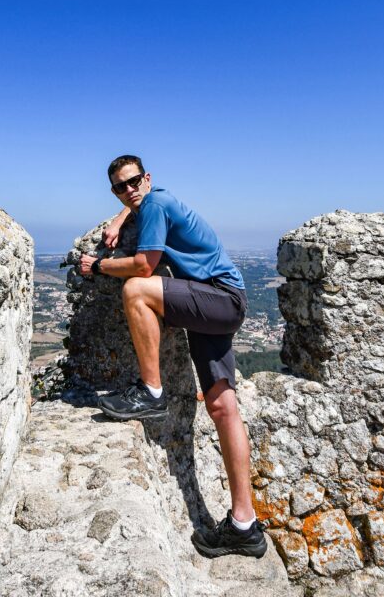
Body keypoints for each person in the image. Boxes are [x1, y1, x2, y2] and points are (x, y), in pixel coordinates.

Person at [78, 155, 266, 559]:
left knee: (136, 289)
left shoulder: (155, 203)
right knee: (221, 405)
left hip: (217, 297)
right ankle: (245, 526)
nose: (128, 191)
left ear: (147, 178)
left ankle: (151, 391)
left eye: (132, 183)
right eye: (119, 188)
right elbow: (139, 203)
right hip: (219, 302)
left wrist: (98, 266)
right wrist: (118, 219)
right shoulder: (150, 202)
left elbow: (145, 264)